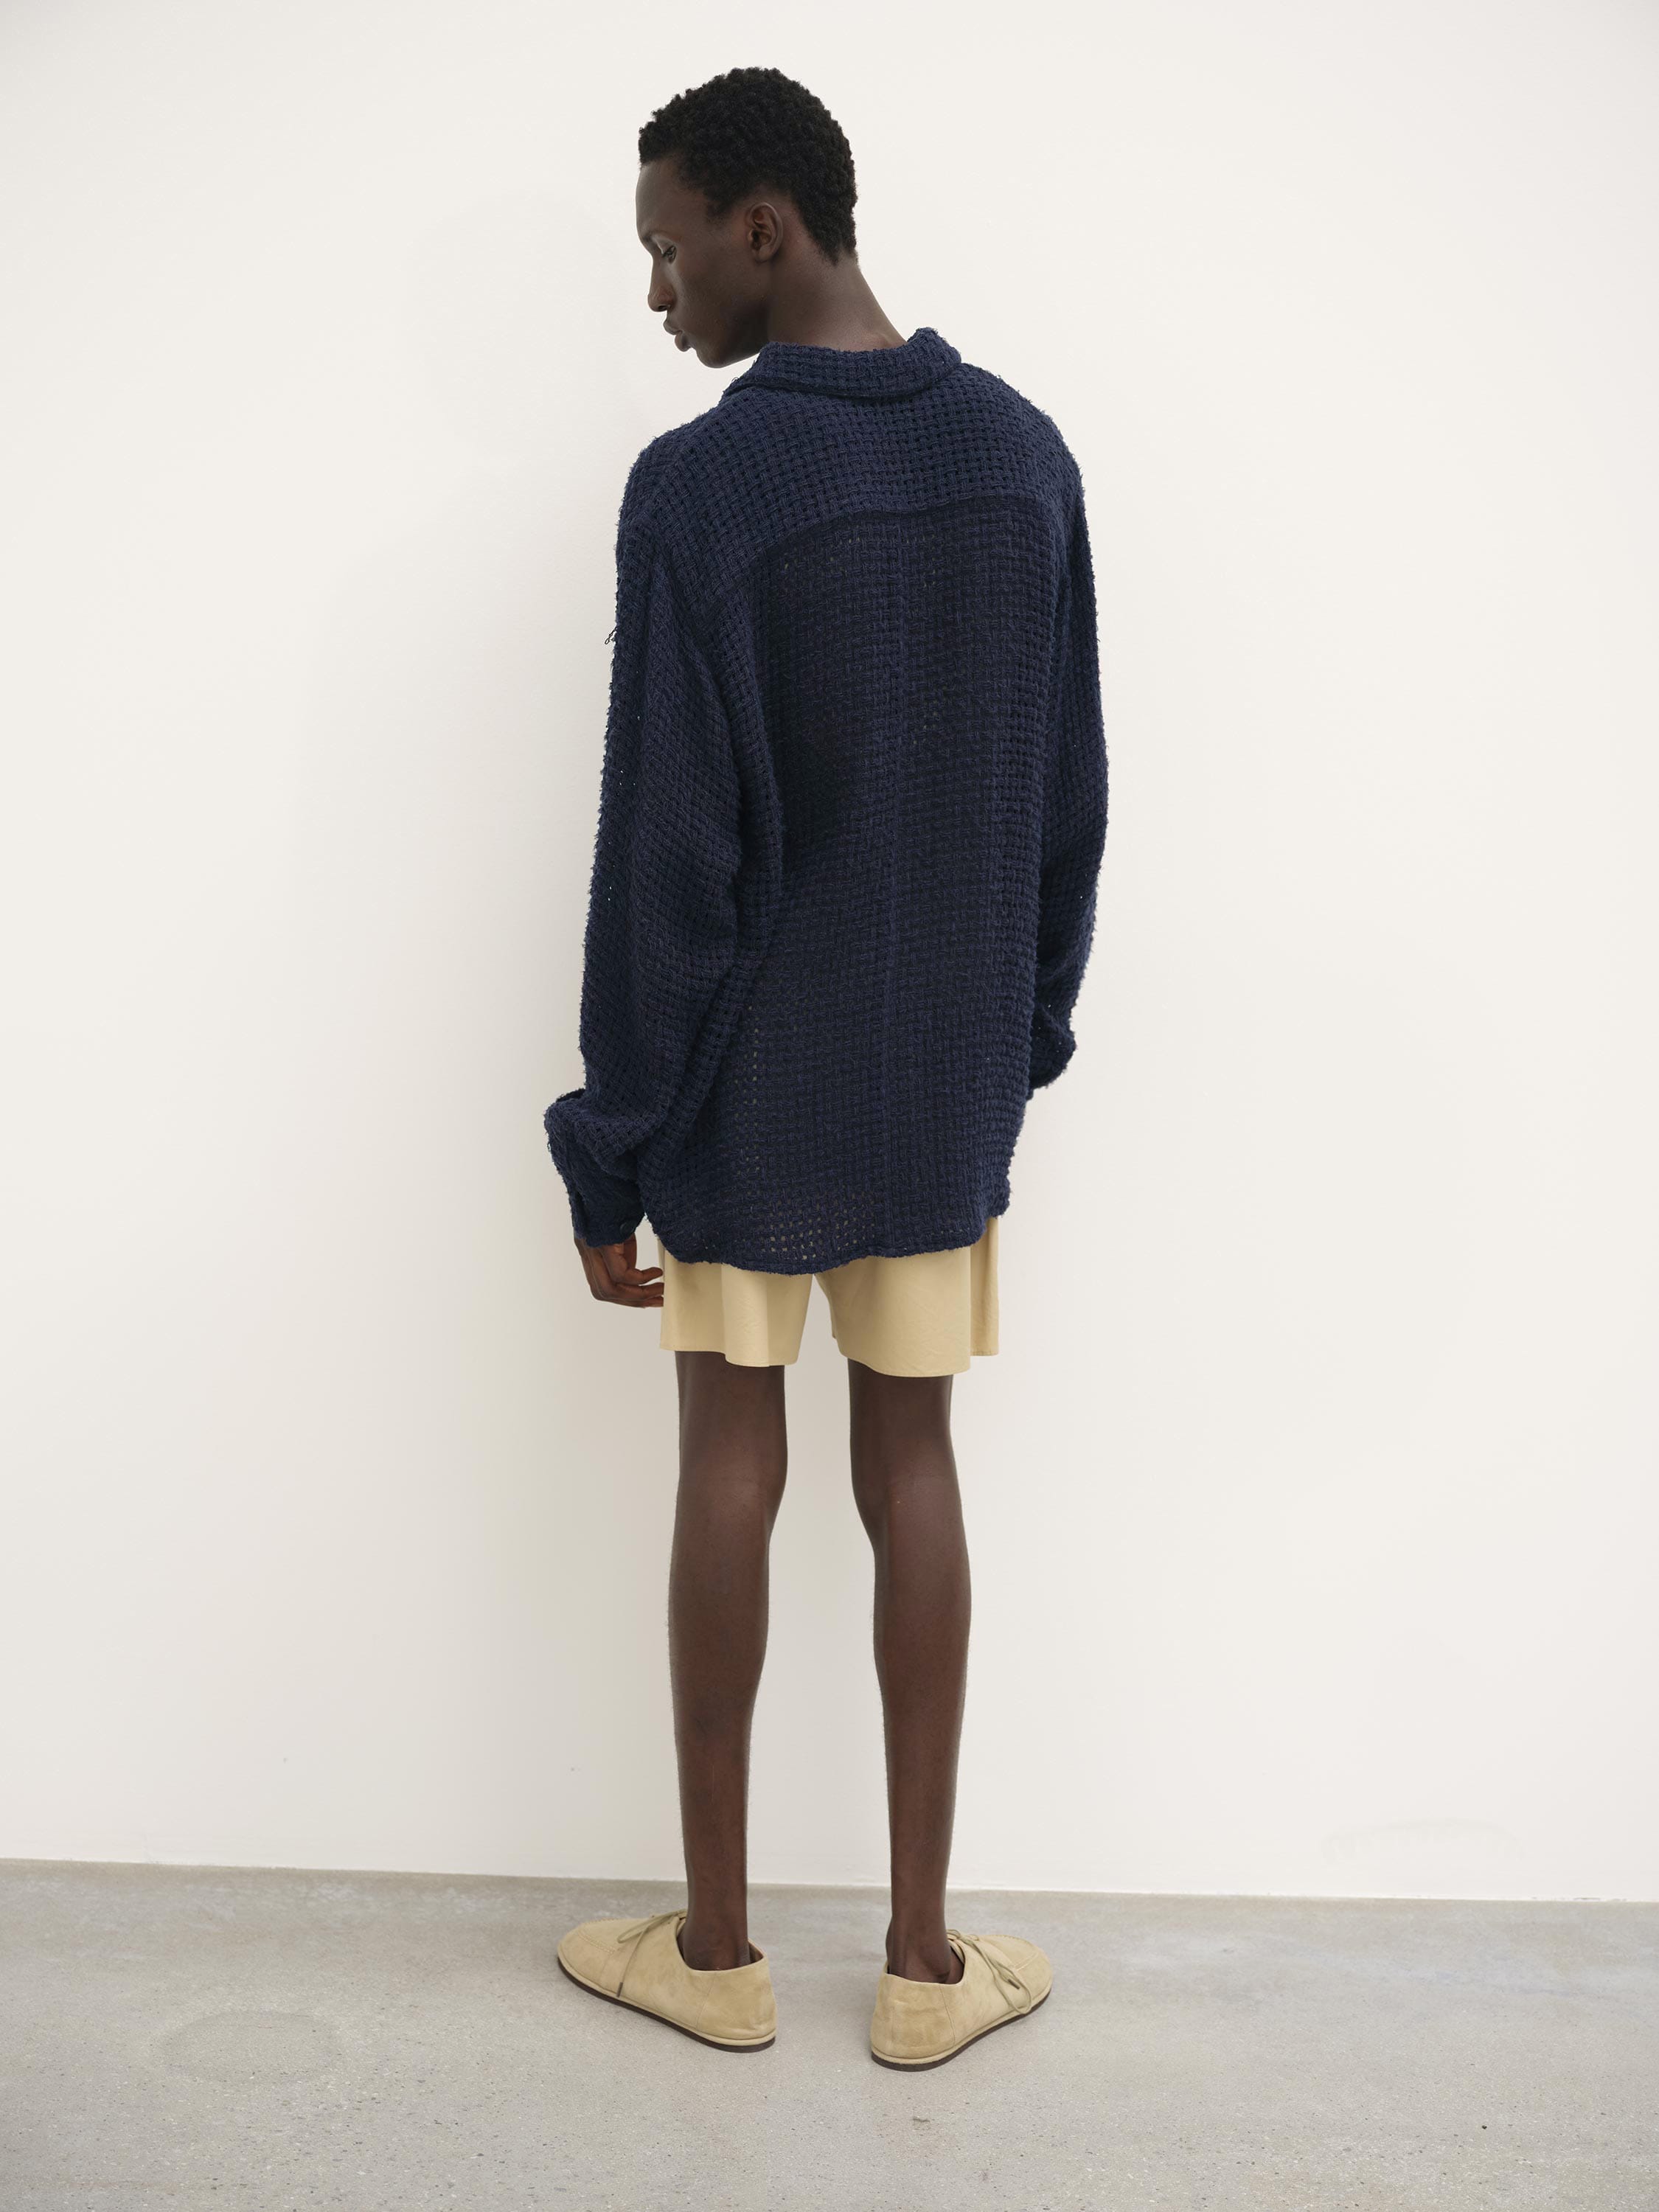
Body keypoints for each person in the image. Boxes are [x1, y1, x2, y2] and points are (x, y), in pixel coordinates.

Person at [543, 66, 1107, 2069]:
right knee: (913, 1464)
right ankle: (924, 1973)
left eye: (667, 246)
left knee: (728, 1458)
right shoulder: (1022, 459)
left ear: (761, 228)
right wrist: (1007, 1047)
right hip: (934, 1084)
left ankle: (715, 1957)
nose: (658, 290)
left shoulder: (703, 489)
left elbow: (665, 859)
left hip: (742, 1090)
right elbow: (1067, 810)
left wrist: (610, 1146)